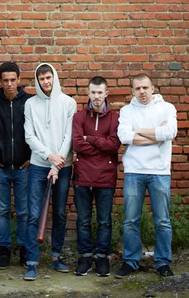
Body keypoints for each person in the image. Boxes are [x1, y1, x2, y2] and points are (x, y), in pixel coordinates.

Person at [116, 73, 177, 279]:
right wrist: (155, 134)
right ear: (132, 91)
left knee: (162, 221)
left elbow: (170, 132)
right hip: (134, 171)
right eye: (137, 88)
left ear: (153, 88)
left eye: (145, 87)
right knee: (131, 220)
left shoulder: (167, 108)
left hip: (159, 171)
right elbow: (125, 136)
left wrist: (138, 132)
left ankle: (162, 263)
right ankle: (131, 261)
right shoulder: (126, 111)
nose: (141, 91)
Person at [23, 63, 77, 281]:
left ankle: (56, 257)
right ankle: (32, 262)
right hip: (38, 165)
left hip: (63, 166)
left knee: (60, 212)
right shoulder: (30, 104)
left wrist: (57, 165)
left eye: (48, 77)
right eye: (41, 78)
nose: (46, 82)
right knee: (33, 213)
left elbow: (69, 136)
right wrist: (49, 157)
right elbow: (29, 135)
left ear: (54, 77)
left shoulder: (68, 103)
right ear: (37, 80)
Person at [72, 76, 120, 277]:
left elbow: (114, 145)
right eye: (93, 92)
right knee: (83, 220)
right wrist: (101, 144)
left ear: (106, 94)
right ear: (88, 93)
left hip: (105, 177)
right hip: (82, 175)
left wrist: (90, 139)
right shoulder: (79, 117)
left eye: (100, 92)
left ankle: (101, 257)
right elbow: (76, 144)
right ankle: (85, 256)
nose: (97, 96)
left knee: (104, 221)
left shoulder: (115, 118)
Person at [0, 61, 33, 269]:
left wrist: (33, 157)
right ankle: (4, 250)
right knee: (3, 210)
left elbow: (40, 130)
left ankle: (24, 249)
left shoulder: (30, 102)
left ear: (19, 80)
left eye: (13, 80)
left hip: (24, 167)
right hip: (1, 167)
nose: (9, 84)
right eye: (5, 80)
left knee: (23, 211)